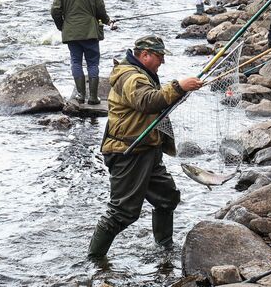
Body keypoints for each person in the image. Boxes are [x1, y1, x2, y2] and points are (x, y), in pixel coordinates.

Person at [87, 35, 203, 259]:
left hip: (148, 150)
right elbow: (148, 101)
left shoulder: (143, 74)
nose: (162, 62)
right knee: (122, 212)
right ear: (144, 55)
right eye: (159, 57)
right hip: (128, 153)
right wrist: (179, 86)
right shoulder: (131, 77)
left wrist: (178, 93)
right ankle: (94, 260)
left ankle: (164, 249)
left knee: (167, 198)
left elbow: (153, 103)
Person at [50, 0, 112, 105]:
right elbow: (100, 9)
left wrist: (62, 26)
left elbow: (55, 11)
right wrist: (107, 21)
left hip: (71, 32)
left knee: (76, 61)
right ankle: (93, 97)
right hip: (90, 32)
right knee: (92, 63)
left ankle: (81, 95)